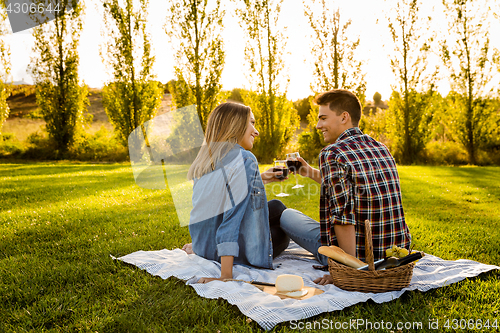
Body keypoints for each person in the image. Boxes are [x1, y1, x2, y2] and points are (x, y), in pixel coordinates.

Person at [280, 89, 412, 285]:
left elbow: (343, 218)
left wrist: (348, 270)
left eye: (323, 118)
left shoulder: (332, 153)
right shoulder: (380, 147)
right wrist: (308, 171)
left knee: (285, 214)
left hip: (360, 258)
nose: (318, 125)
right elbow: (355, 188)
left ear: (344, 117)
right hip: (395, 253)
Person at [182, 102, 290, 283]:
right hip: (231, 254)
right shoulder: (245, 158)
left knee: (276, 207)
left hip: (204, 246)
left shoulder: (205, 159)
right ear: (236, 125)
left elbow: (216, 197)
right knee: (283, 227)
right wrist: (226, 275)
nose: (256, 132)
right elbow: (231, 218)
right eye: (252, 123)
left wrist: (260, 178)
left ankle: (204, 246)